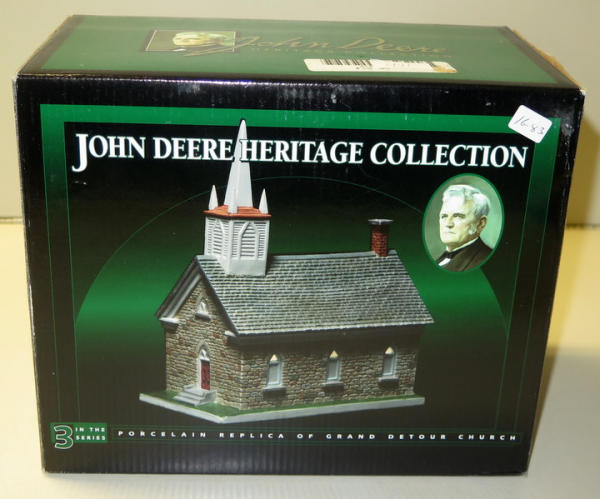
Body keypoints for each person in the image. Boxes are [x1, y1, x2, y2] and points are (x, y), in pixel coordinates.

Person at [436, 184, 492, 272]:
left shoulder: (486, 261)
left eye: (458, 216)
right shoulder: (438, 261)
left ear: (480, 223)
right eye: (444, 216)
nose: (448, 223)